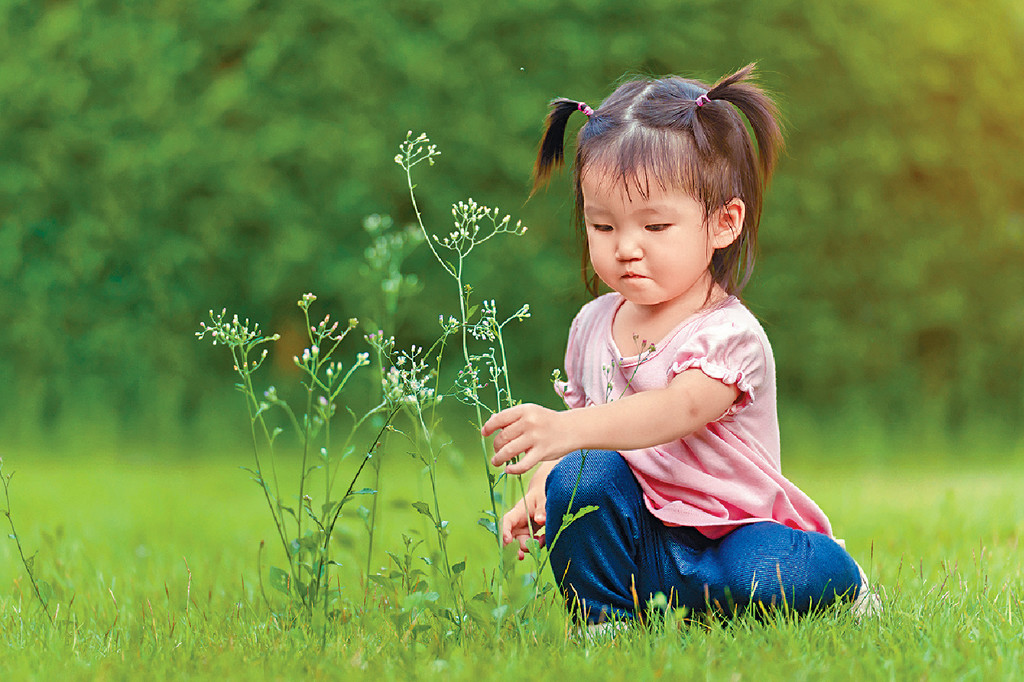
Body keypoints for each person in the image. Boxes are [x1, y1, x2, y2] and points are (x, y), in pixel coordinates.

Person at [481, 64, 878, 625]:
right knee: (580, 477)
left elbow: (678, 409)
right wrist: (544, 486)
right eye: (603, 227)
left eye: (655, 227)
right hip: (643, 545)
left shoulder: (728, 336)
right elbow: (584, 445)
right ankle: (606, 624)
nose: (626, 248)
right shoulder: (591, 325)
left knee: (763, 573)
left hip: (731, 541)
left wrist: (564, 429)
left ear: (723, 223)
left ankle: (842, 581)